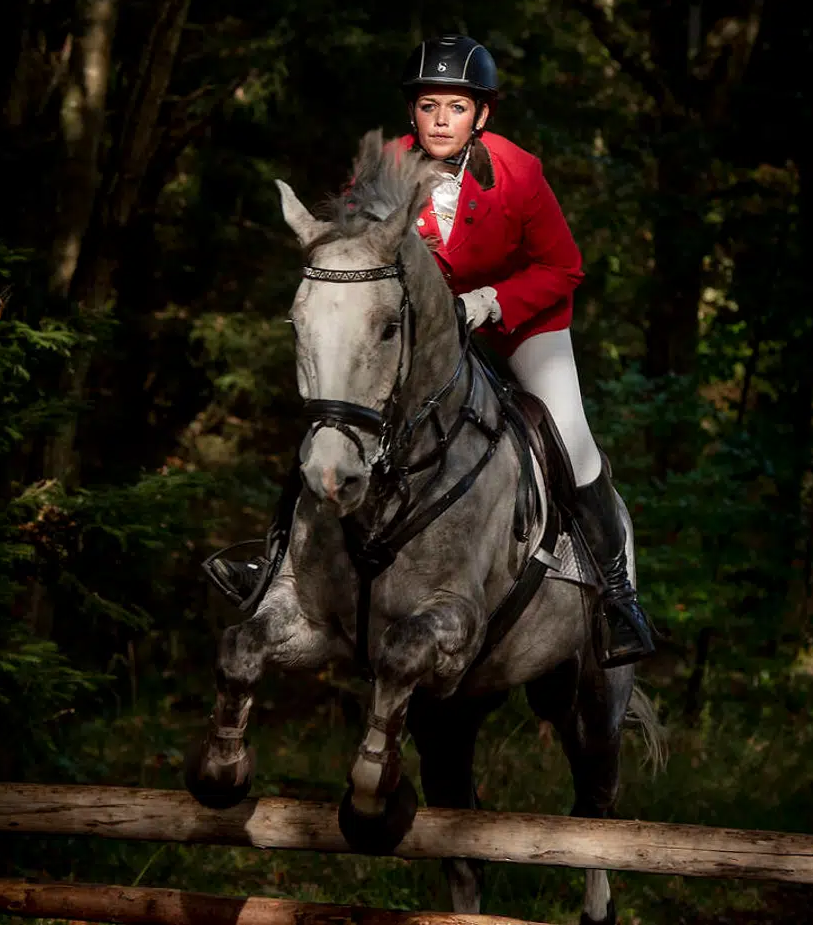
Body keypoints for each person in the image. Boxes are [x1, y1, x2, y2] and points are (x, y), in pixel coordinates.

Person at [206, 35, 654, 668]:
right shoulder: (384, 167)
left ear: (481, 116)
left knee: (573, 443)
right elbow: (357, 255)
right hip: (422, 337)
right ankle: (278, 559)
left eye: (456, 107)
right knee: (338, 417)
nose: (441, 119)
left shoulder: (519, 172)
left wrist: (491, 302)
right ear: (412, 114)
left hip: (518, 324)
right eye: (428, 105)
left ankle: (615, 594)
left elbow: (564, 266)